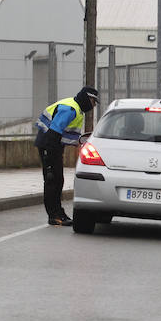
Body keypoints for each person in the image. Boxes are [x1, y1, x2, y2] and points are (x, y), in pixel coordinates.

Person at [34, 86, 100, 226]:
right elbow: (53, 133)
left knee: (57, 180)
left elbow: (64, 134)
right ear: (87, 99)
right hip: (49, 146)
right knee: (53, 180)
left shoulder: (75, 108)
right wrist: (50, 155)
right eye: (93, 102)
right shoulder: (70, 109)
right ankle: (54, 215)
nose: (93, 106)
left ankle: (58, 213)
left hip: (53, 146)